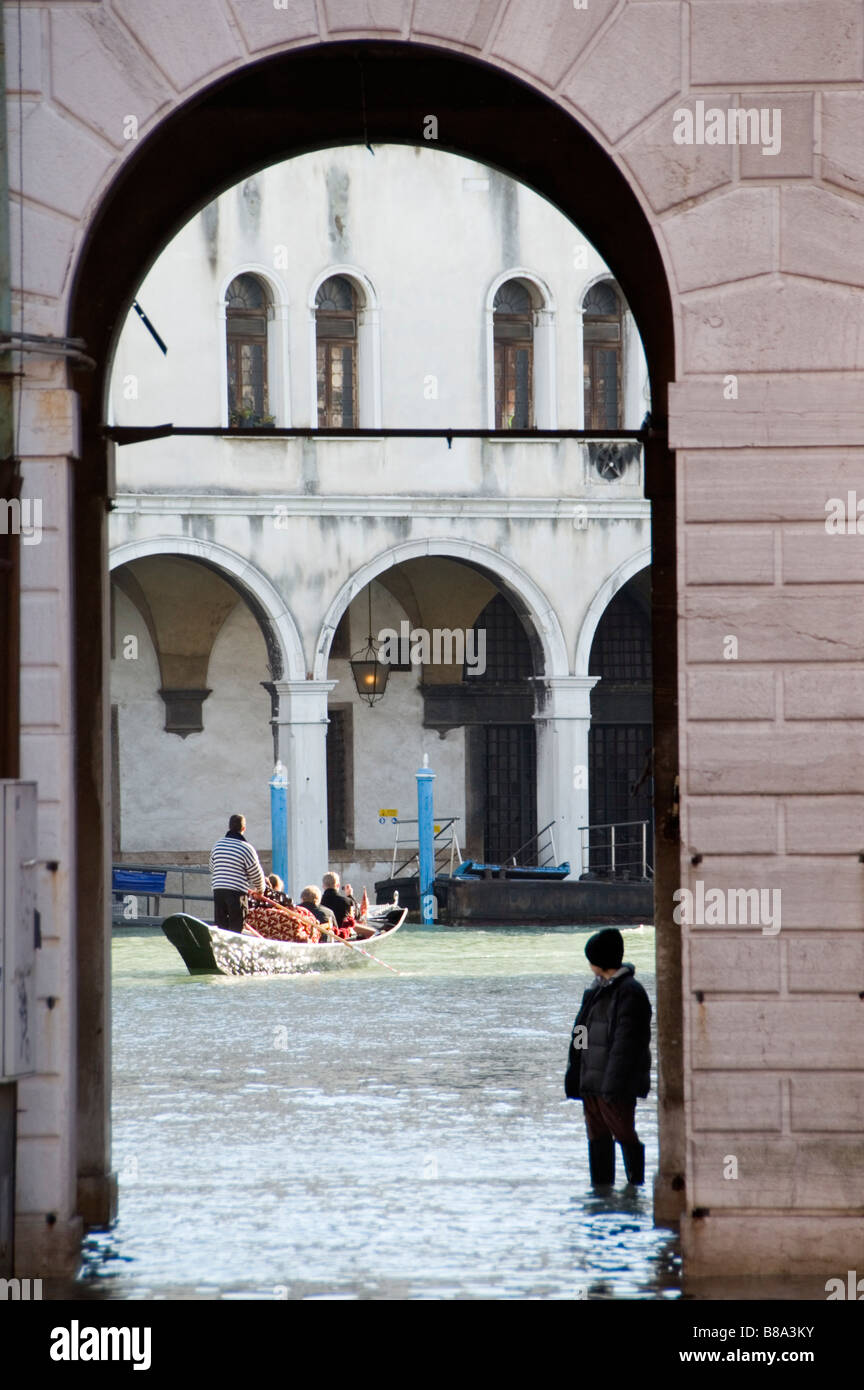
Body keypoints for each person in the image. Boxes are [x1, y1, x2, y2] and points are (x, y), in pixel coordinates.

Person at [564, 927, 651, 1189]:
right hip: (591, 1082)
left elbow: (627, 1045)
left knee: (625, 1135)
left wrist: (612, 1086)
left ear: (599, 961)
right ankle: (601, 1191)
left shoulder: (630, 992)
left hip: (614, 1086)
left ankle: (635, 1187)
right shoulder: (594, 991)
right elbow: (580, 1031)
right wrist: (575, 1068)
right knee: (598, 1139)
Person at [209, 814, 265, 932]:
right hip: (236, 893)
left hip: (218, 890)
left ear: (229, 827)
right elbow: (256, 873)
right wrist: (260, 890)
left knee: (221, 926)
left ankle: (221, 948)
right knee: (237, 926)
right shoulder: (246, 848)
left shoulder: (217, 845)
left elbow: (212, 868)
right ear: (243, 829)